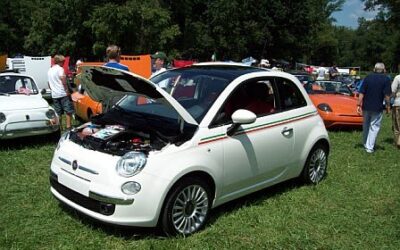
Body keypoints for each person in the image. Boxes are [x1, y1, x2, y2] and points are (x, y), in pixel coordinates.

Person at [357, 62, 392, 153]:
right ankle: (369, 147)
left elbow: (361, 92)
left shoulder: (367, 78)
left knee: (366, 125)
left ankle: (365, 143)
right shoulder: (386, 79)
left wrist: (358, 104)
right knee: (374, 126)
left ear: (374, 69)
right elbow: (387, 95)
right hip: (377, 107)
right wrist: (388, 106)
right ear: (384, 70)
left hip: (366, 106)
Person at [48, 54, 75, 130]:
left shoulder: (50, 70)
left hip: (54, 94)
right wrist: (67, 91)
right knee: (68, 111)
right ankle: (68, 126)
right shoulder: (60, 69)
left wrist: (53, 89)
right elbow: (63, 80)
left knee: (58, 112)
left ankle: (59, 127)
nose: (63, 63)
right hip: (62, 93)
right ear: (60, 62)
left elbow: (48, 83)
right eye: (63, 61)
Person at [391, 74, 400, 148]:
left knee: (397, 123)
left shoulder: (398, 77)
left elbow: (392, 91)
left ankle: (397, 142)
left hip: (398, 103)